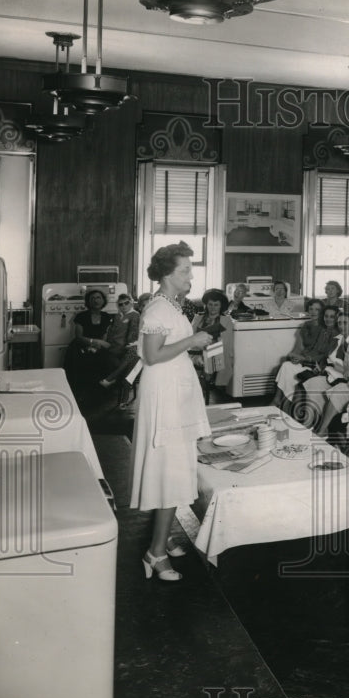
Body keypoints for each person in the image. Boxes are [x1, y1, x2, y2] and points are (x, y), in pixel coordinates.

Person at [130, 242, 214, 582]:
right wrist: (191, 344)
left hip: (174, 392)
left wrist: (191, 352)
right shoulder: (157, 311)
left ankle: (162, 541)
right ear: (167, 274)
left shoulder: (171, 305)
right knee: (168, 471)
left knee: (175, 469)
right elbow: (151, 356)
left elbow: (168, 350)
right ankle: (156, 553)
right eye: (184, 271)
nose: (190, 275)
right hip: (164, 397)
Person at [271, 300, 335, 412]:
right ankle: (279, 401)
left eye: (317, 310)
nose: (313, 312)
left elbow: (324, 355)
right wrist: (293, 356)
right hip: (305, 360)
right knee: (287, 365)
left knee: (289, 368)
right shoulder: (306, 326)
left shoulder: (327, 329)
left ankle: (283, 403)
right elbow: (298, 348)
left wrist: (304, 359)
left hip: (315, 364)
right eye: (311, 309)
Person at [64, 288, 115, 397]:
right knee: (82, 360)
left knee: (107, 359)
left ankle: (100, 392)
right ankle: (81, 394)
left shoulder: (107, 316)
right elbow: (78, 336)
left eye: (98, 298)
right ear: (88, 301)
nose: (96, 300)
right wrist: (92, 342)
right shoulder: (81, 316)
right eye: (92, 298)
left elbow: (106, 335)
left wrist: (98, 346)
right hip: (81, 345)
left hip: (99, 346)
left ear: (103, 301)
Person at [189, 288, 233, 401]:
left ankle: (202, 388)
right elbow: (190, 337)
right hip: (196, 350)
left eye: (216, 305)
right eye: (210, 304)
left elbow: (226, 342)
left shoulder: (226, 320)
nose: (213, 308)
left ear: (221, 306)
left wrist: (210, 344)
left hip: (216, 352)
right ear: (206, 305)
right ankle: (198, 388)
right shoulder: (198, 317)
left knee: (210, 357)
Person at [98, 293, 141, 391]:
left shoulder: (134, 315)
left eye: (126, 303)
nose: (124, 306)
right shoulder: (118, 315)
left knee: (110, 360)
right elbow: (111, 331)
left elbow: (132, 336)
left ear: (131, 303)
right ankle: (112, 382)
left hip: (123, 348)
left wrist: (127, 345)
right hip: (113, 346)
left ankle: (113, 380)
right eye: (121, 304)